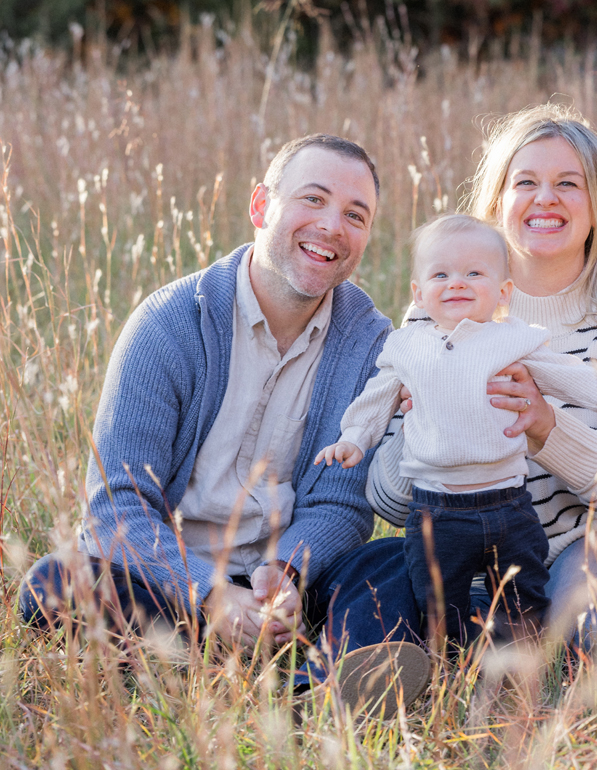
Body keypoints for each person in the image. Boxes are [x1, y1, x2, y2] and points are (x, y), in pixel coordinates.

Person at [18, 133, 431, 713]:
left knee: (401, 563)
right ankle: (250, 667)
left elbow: (342, 505)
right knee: (55, 584)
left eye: (354, 215)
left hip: (294, 592)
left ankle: (330, 684)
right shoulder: (169, 324)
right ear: (261, 206)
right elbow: (117, 508)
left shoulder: (369, 344)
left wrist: (285, 571)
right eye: (313, 200)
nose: (333, 226)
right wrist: (209, 596)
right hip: (171, 587)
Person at [367, 105, 597, 660]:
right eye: (526, 182)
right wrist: (422, 428)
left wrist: (547, 427)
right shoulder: (439, 314)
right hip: (486, 547)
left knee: (583, 617)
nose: (545, 198)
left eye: (568, 184)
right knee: (393, 590)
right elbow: (389, 502)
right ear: (497, 203)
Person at [315, 213, 597, 642]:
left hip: (507, 504)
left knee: (522, 594)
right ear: (418, 294)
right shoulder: (407, 346)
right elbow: (377, 398)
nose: (456, 283)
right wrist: (353, 438)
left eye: (473, 273)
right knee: (438, 598)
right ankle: (448, 665)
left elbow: (570, 375)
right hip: (436, 509)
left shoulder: (511, 339)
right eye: (441, 274)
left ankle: (521, 661)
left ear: (503, 293)